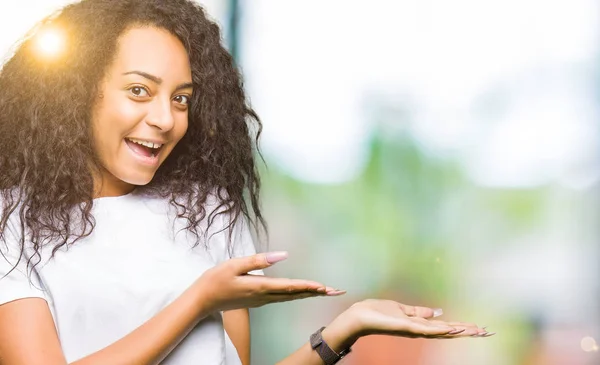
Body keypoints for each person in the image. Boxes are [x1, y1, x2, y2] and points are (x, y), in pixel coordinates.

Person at [0, 1, 491, 364]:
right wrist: (199, 300)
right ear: (77, 94)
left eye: (181, 99)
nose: (165, 119)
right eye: (138, 91)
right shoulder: (12, 222)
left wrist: (344, 329)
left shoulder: (207, 213)